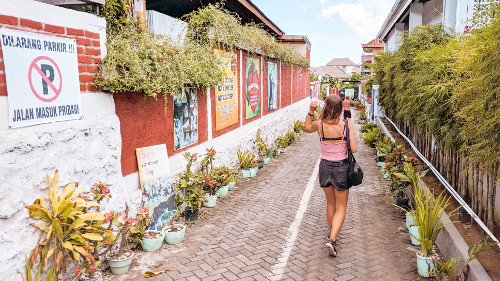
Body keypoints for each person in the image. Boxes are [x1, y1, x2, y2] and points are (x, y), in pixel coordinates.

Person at [303, 95, 357, 257]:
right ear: (340, 108)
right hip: (341, 168)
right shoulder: (346, 125)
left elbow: (306, 128)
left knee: (330, 204)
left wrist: (311, 112)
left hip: (325, 167)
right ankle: (332, 239)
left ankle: (331, 235)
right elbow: (353, 149)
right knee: (341, 207)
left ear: (325, 107)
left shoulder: (319, 124)